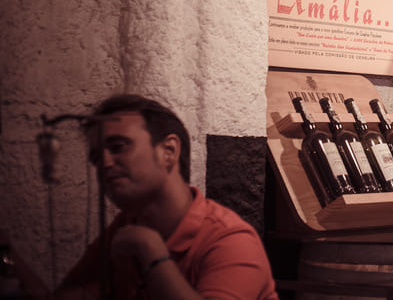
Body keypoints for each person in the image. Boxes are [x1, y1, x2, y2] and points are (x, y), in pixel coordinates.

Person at [57, 94, 278, 300]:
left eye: (118, 147)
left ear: (169, 151)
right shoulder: (126, 225)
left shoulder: (230, 240)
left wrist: (150, 252)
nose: (104, 164)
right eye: (96, 158)